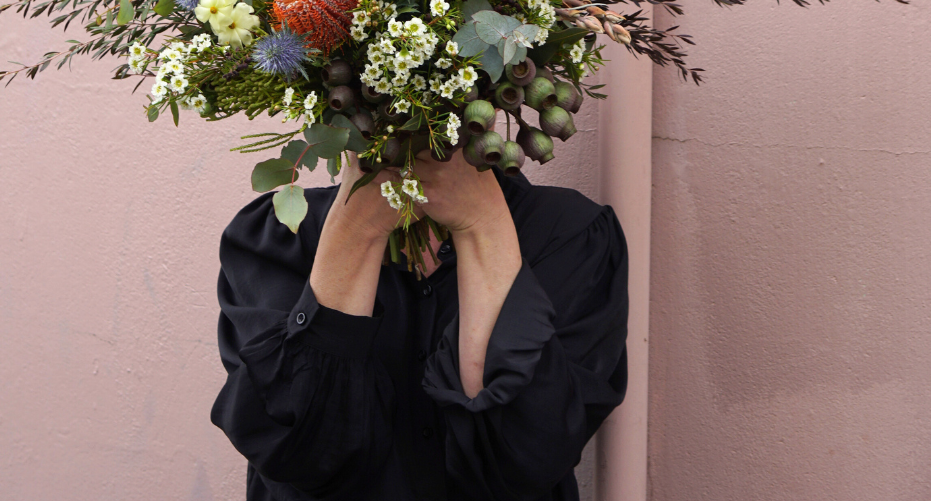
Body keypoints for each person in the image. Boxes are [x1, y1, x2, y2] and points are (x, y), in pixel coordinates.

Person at [210, 146, 629, 500]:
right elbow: (300, 459)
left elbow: (526, 461)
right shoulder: (279, 238)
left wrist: (483, 225)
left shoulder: (569, 235)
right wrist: (356, 228)